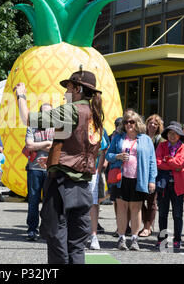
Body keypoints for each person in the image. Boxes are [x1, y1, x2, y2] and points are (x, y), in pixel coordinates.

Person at [15, 69, 104, 264]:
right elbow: (77, 147)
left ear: (78, 89)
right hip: (83, 188)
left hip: (62, 186)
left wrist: (20, 95)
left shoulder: (72, 110)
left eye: (69, 88)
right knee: (76, 245)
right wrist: (52, 162)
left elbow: (27, 118)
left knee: (57, 241)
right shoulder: (96, 115)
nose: (65, 93)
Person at [106, 109, 157, 251]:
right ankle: (121, 238)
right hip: (121, 179)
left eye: (132, 121)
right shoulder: (118, 137)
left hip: (138, 179)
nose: (129, 124)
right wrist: (117, 156)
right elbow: (108, 155)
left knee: (136, 209)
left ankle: (134, 239)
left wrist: (151, 180)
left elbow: (152, 161)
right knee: (121, 208)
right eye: (126, 121)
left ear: (137, 123)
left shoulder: (145, 139)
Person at [155, 121, 184, 249]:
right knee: (163, 213)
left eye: (175, 133)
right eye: (170, 133)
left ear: (180, 135)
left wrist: (167, 159)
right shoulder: (161, 145)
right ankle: (162, 239)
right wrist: (174, 164)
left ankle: (177, 239)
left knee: (177, 214)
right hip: (163, 184)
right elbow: (158, 162)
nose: (172, 135)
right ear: (167, 134)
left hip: (178, 185)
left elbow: (181, 163)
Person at [24, 103, 54, 241]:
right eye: (43, 112)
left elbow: (58, 147)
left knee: (49, 202)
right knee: (33, 201)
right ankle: (32, 229)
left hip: (51, 169)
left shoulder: (56, 127)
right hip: (34, 169)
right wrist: (48, 144)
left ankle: (47, 229)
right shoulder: (32, 126)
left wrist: (41, 145)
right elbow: (29, 145)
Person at [139, 114, 165, 238]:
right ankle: (145, 223)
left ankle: (147, 226)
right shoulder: (142, 137)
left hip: (154, 174)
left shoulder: (160, 139)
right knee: (139, 200)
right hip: (140, 173)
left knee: (151, 201)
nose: (152, 125)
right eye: (150, 122)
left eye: (156, 124)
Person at [89, 129, 109, 250]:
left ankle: (93, 236)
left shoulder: (99, 129)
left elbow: (103, 151)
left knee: (94, 203)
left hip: (92, 172)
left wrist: (97, 171)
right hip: (75, 171)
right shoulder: (74, 123)